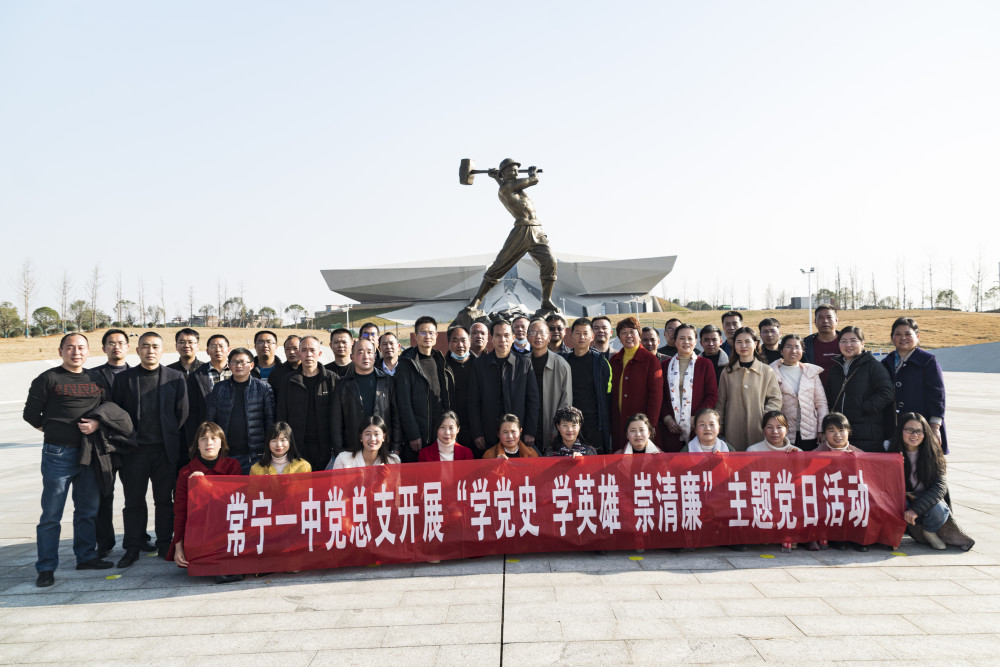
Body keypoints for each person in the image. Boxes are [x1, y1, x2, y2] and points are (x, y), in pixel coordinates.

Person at [24, 333, 110, 586]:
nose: (76, 352)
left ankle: (86, 556)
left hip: (89, 453)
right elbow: (31, 414)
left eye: (81, 347)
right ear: (60, 350)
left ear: (88, 350)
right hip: (57, 453)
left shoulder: (97, 379)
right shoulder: (48, 378)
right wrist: (53, 430)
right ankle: (46, 567)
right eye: (70, 348)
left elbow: (106, 409)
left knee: (87, 510)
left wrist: (96, 423)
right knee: (52, 513)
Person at [111, 331, 189, 567]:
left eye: (155, 346)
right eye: (145, 346)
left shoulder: (175, 377)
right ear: (137, 351)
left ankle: (164, 544)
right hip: (135, 451)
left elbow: (182, 413)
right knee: (133, 501)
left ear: (162, 351)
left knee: (164, 501)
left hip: (164, 451)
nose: (150, 350)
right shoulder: (124, 379)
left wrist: (169, 438)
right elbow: (116, 413)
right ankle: (132, 547)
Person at [462, 159, 559, 316]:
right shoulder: (507, 187)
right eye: (511, 170)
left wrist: (496, 178)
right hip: (522, 230)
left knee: (550, 262)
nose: (514, 173)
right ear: (504, 173)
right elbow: (534, 180)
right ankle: (476, 301)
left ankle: (546, 300)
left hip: (537, 229)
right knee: (499, 266)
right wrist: (532, 172)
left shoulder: (508, 186)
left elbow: (506, 184)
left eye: (516, 170)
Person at [166, 421, 243, 583]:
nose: (209, 443)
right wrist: (178, 547)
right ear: (197, 445)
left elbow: (236, 503)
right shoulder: (186, 472)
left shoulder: (232, 466)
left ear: (222, 443)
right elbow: (180, 511)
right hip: (200, 529)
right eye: (203, 439)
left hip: (228, 528)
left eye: (214, 438)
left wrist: (206, 483)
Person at [888, 412, 972, 551]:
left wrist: (916, 510)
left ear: (925, 433)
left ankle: (929, 532)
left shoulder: (932, 453)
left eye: (919, 431)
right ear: (901, 431)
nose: (914, 434)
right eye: (909, 430)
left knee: (940, 509)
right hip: (902, 498)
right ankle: (896, 533)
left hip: (924, 498)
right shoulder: (891, 452)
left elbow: (940, 487)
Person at [89, 328, 134, 557]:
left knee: (133, 495)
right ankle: (104, 543)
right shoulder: (92, 376)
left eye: (120, 342)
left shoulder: (137, 374)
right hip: (103, 445)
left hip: (129, 444)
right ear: (104, 347)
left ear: (128, 347)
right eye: (111, 343)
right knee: (104, 495)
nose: (116, 346)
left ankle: (136, 538)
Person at [468, 319, 540, 456]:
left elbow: (533, 400)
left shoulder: (524, 363)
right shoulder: (479, 365)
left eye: (506, 335)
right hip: (488, 433)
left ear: (513, 338)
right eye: (498, 335)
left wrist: (530, 431)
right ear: (492, 339)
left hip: (517, 434)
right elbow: (473, 402)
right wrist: (477, 433)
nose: (502, 339)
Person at [882, 317, 948, 453]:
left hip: (921, 427)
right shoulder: (886, 363)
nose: (903, 338)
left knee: (924, 467)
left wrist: (935, 426)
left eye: (908, 334)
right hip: (894, 427)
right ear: (892, 337)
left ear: (917, 336)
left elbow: (937, 395)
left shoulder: (927, 361)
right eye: (898, 334)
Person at [331, 338, 402, 463]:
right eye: (360, 352)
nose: (366, 356)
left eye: (369, 352)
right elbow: (336, 422)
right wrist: (339, 451)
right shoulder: (342, 385)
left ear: (375, 356)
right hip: (351, 450)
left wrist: (395, 447)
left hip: (382, 449)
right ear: (352, 357)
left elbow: (396, 417)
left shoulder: (387, 382)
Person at [206, 347, 276, 474]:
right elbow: (211, 421)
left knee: (252, 492)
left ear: (252, 365)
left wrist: (267, 449)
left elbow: (269, 421)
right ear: (229, 365)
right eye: (234, 362)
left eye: (243, 362)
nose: (239, 365)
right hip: (226, 454)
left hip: (254, 455)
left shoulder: (263, 388)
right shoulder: (219, 388)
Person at [825, 326, 894, 453]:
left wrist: (864, 407)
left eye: (853, 340)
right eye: (843, 341)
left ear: (863, 344)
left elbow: (887, 393)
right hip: (840, 432)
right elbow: (828, 397)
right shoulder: (835, 370)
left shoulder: (874, 366)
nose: (848, 345)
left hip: (867, 432)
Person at [276, 335, 337, 472]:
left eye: (312, 350)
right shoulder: (289, 380)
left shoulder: (331, 379)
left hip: (326, 447)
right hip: (298, 446)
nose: (308, 354)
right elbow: (282, 414)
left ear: (320, 353)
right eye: (304, 350)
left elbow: (340, 414)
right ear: (299, 353)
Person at [716, 327, 782, 451]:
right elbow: (721, 403)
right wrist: (719, 427)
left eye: (747, 341)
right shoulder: (727, 372)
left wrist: (764, 417)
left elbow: (775, 399)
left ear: (756, 343)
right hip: (733, 429)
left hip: (759, 428)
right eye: (739, 342)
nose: (743, 345)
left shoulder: (766, 371)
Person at [396, 317, 452, 462]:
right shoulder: (406, 364)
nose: (427, 336)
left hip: (440, 433)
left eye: (431, 333)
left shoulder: (440, 359)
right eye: (423, 333)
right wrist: (413, 434)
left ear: (436, 336)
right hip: (418, 435)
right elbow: (404, 403)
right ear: (415, 336)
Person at [660, 323, 718, 452]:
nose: (686, 342)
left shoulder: (704, 364)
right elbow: (661, 396)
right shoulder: (665, 365)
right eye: (681, 338)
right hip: (671, 427)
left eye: (690, 338)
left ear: (696, 341)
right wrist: (667, 418)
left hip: (697, 426)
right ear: (675, 341)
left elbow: (712, 395)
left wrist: (697, 417)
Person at [609, 316, 663, 452]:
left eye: (632, 331)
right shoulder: (614, 360)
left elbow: (656, 395)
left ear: (639, 335)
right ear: (619, 338)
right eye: (623, 332)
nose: (628, 336)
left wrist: (651, 424)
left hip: (642, 426)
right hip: (619, 421)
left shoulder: (650, 360)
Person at [561, 317, 612, 453]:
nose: (581, 337)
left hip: (594, 424)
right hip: (569, 424)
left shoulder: (601, 362)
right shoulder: (563, 361)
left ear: (592, 337)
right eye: (577, 333)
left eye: (585, 333)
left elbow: (608, 395)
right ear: (571, 336)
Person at [771, 333, 828, 450]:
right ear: (781, 351)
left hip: (810, 433)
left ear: (802, 351)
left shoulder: (811, 372)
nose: (793, 350)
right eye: (789, 347)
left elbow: (821, 403)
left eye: (797, 347)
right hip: (782, 433)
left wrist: (822, 428)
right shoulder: (771, 373)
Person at [527, 317, 573, 448]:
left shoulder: (561, 364)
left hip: (551, 426)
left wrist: (556, 428)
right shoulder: (521, 363)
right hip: (528, 427)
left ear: (549, 336)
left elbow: (566, 400)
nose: (538, 337)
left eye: (542, 333)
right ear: (528, 337)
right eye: (533, 333)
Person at [187, 334, 231, 439]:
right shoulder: (196, 375)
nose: (217, 350)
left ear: (229, 350)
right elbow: (192, 409)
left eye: (221, 346)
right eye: (213, 346)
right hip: (208, 432)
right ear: (207, 351)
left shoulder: (238, 371)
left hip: (234, 429)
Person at [331, 415, 401, 468]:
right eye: (368, 434)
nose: (372, 439)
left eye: (376, 434)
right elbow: (336, 487)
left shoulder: (393, 461)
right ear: (361, 437)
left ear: (383, 437)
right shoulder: (343, 459)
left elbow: (395, 486)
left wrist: (384, 479)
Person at [445, 326, 475, 447]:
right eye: (455, 340)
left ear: (469, 341)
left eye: (463, 340)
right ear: (449, 343)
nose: (460, 345)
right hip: (451, 429)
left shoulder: (480, 365)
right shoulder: (442, 367)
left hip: (476, 428)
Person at [803, 304, 841, 382]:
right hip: (813, 391)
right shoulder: (805, 345)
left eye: (829, 317)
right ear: (815, 321)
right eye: (820, 318)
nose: (825, 321)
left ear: (836, 320)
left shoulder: (848, 343)